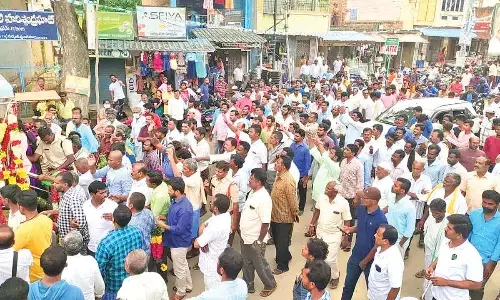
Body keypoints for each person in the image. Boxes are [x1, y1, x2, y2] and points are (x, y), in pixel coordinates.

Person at [425, 214, 483, 300]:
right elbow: (442, 256)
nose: (445, 229)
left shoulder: (472, 255)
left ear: (459, 235)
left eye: (449, 228)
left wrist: (447, 282)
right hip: (436, 295)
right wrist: (432, 267)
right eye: (447, 226)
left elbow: (477, 284)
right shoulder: (446, 240)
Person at [239, 168, 277, 297]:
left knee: (260, 265)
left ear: (259, 182)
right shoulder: (252, 192)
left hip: (255, 239)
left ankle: (270, 284)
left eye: (251, 179)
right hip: (245, 236)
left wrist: (260, 241)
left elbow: (265, 223)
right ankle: (248, 284)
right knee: (246, 262)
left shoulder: (264, 199)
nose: (249, 181)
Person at [308, 181, 351, 289]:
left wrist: (346, 238)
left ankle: (335, 275)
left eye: (328, 188)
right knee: (319, 257)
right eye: (326, 187)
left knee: (330, 259)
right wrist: (312, 224)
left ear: (335, 191)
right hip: (320, 232)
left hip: (334, 235)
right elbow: (317, 211)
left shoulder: (343, 203)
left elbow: (347, 221)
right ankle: (321, 276)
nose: (325, 190)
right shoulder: (321, 197)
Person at [155, 177, 193, 300]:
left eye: (170, 189)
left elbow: (179, 229)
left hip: (179, 243)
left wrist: (163, 225)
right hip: (174, 240)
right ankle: (187, 285)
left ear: (177, 191)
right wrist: (164, 217)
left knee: (179, 268)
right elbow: (174, 219)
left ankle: (181, 292)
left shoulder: (185, 208)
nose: (168, 191)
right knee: (183, 264)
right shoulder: (176, 201)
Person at [95, 205, 143, 299]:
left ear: (113, 219)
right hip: (133, 283)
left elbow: (98, 270)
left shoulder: (107, 243)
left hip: (114, 288)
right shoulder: (137, 231)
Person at [13, 190, 53, 283]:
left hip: (33, 274)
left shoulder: (23, 230)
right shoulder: (46, 220)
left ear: (21, 208)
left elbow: (12, 250)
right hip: (46, 268)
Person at [194, 194, 232, 290]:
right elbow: (205, 224)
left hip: (211, 266)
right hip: (218, 259)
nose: (209, 203)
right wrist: (203, 227)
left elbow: (196, 244)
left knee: (211, 292)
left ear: (216, 209)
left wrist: (202, 228)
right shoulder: (225, 215)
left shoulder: (215, 227)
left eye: (211, 202)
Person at [467, 190, 500, 300]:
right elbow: (469, 234)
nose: (486, 206)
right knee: (464, 284)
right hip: (469, 257)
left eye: (490, 204)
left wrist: (491, 262)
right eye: (484, 202)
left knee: (477, 288)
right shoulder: (474, 214)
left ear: (497, 204)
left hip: (486, 261)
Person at [270, 156, 299, 275]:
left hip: (284, 217)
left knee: (281, 241)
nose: (275, 164)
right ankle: (285, 255)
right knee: (277, 239)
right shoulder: (279, 176)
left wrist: (294, 214)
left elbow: (292, 200)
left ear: (283, 166)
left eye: (277, 163)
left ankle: (282, 265)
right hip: (275, 215)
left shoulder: (288, 181)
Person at [61, 231, 105, 300]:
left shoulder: (60, 265)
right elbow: (100, 287)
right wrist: (98, 295)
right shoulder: (90, 261)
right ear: (81, 246)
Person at [367, 224, 404, 300]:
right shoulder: (380, 248)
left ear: (385, 241)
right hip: (374, 295)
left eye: (378, 235)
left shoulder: (394, 260)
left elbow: (395, 288)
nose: (375, 235)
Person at [53, 172, 90, 249]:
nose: (53, 184)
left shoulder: (73, 198)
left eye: (56, 183)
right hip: (66, 238)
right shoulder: (65, 194)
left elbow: (81, 222)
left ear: (65, 185)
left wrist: (71, 234)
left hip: (73, 243)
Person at [82, 180, 118, 256]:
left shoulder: (113, 206)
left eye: (105, 192)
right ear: (92, 194)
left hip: (109, 248)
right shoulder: (84, 206)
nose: (105, 195)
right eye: (101, 193)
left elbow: (121, 226)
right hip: (91, 248)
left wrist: (114, 219)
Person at [386, 178, 416, 257]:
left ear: (402, 191)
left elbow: (410, 230)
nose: (393, 186)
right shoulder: (392, 199)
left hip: (398, 241)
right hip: (386, 237)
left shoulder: (410, 207)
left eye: (395, 186)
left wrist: (400, 245)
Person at [127, 192, 156, 258]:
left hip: (137, 256)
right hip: (147, 251)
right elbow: (153, 226)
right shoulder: (148, 212)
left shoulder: (130, 222)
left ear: (131, 205)